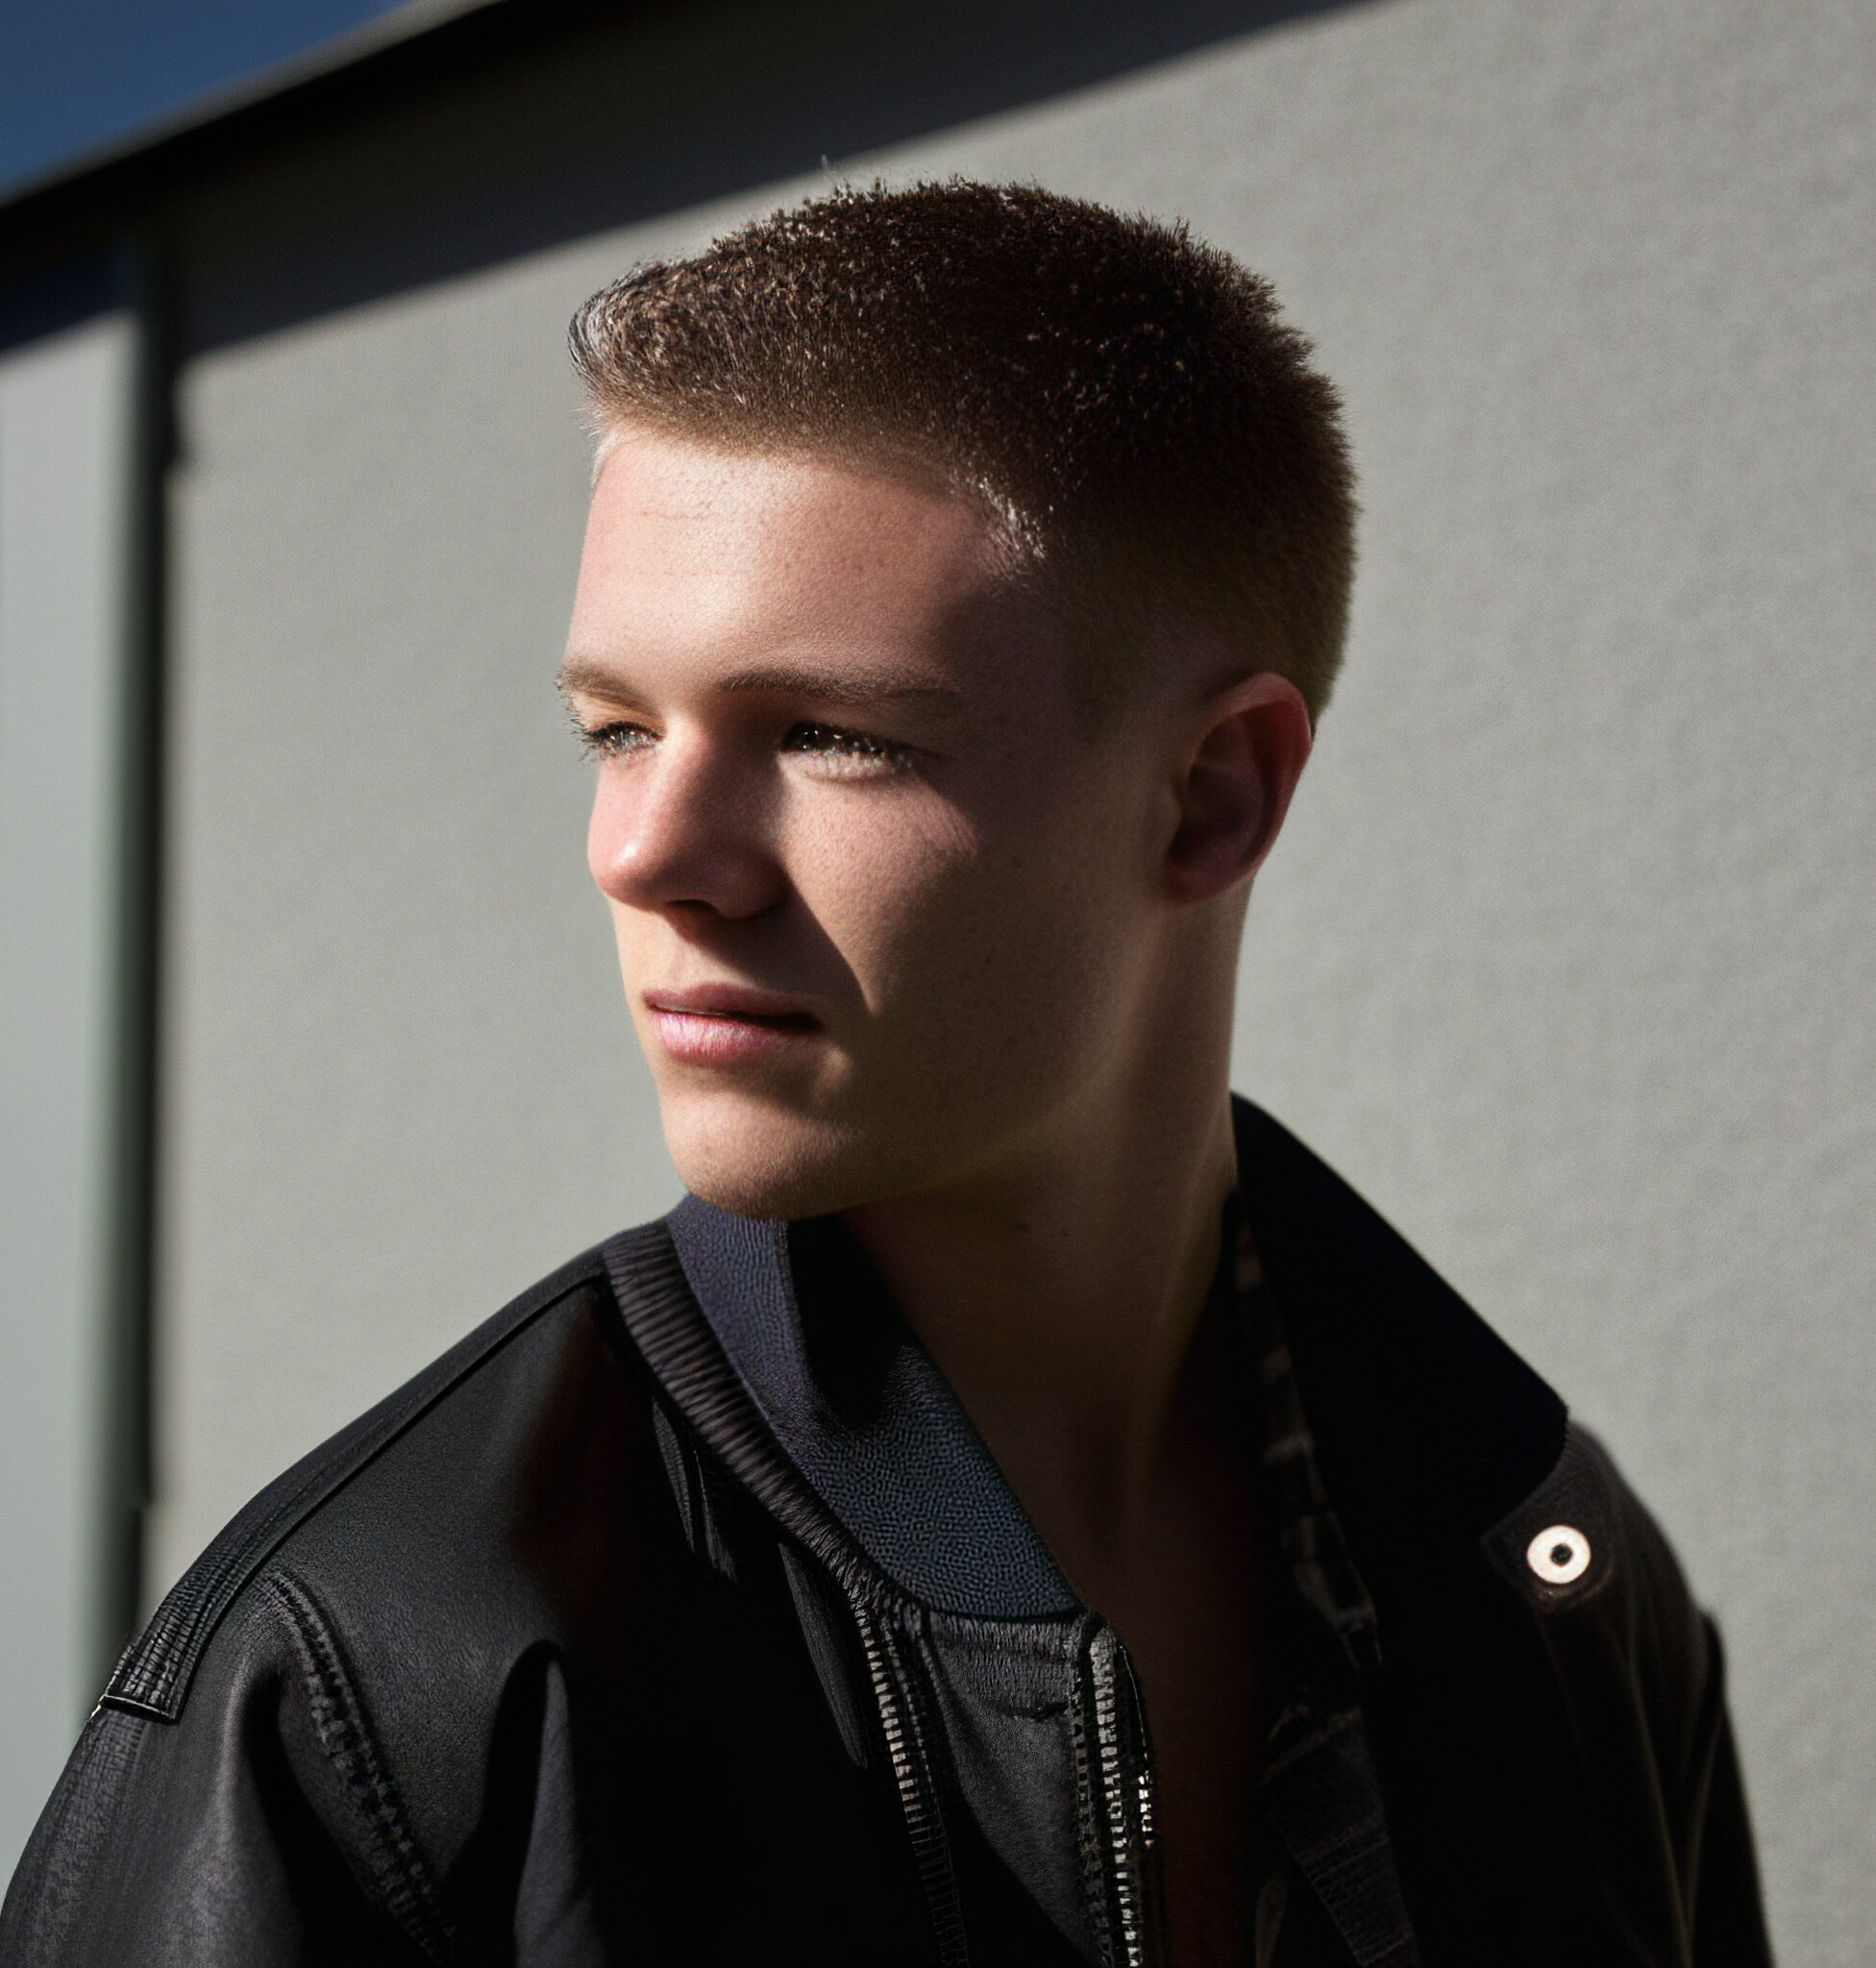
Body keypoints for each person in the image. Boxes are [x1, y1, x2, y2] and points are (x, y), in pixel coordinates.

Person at [0, 182, 1769, 1968]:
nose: (648, 851)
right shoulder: (375, 1680)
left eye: (830, 733)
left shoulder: (1550, 1586)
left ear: (1214, 793)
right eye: (618, 727)